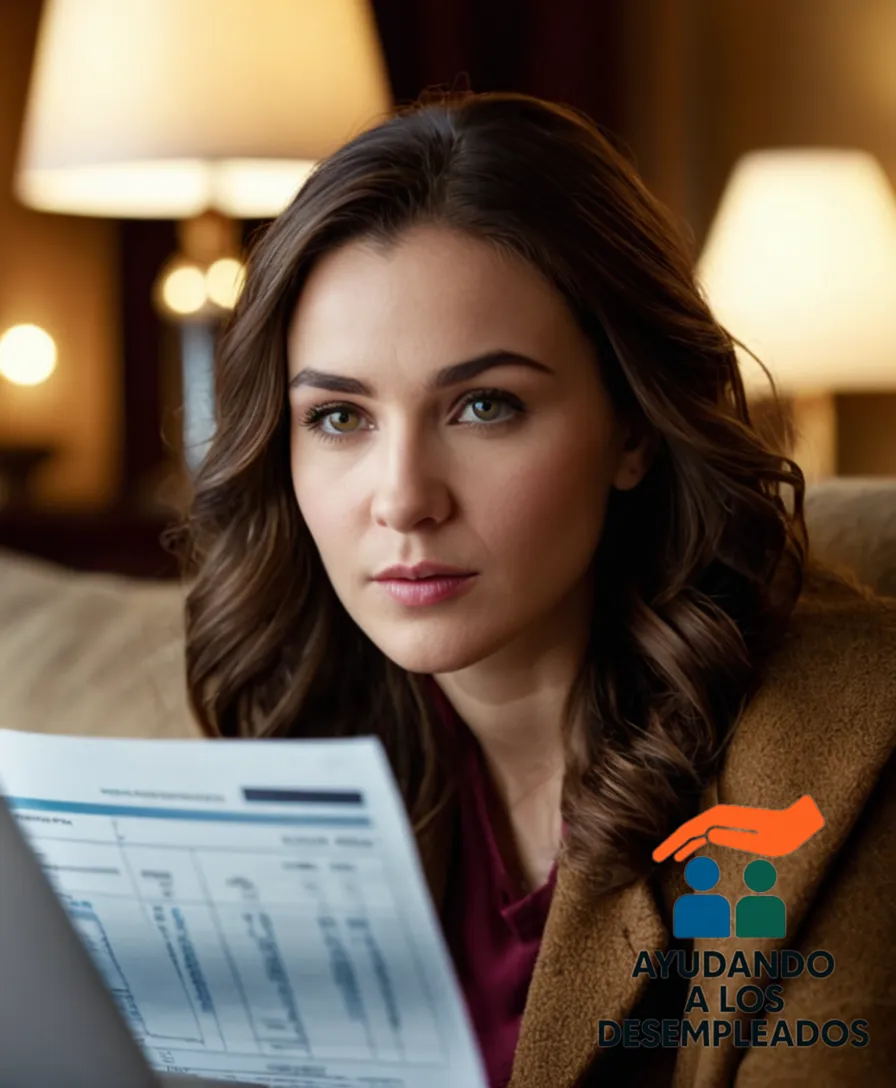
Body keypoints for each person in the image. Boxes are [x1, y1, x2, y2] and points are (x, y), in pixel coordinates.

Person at [176, 90, 896, 1087]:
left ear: (632, 428)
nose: (402, 499)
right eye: (340, 417)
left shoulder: (844, 749)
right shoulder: (307, 721)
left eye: (483, 404)